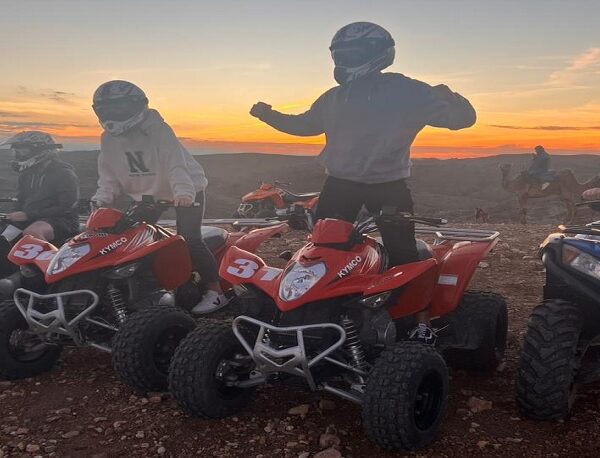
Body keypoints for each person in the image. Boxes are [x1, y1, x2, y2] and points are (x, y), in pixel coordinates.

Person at [250, 22, 476, 343]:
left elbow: (461, 121)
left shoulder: (403, 89)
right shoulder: (336, 97)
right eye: (341, 54)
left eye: (352, 53)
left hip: (386, 186)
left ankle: (417, 321)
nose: (344, 61)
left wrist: (452, 97)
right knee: (324, 250)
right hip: (341, 183)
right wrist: (268, 115)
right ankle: (329, 312)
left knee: (403, 254)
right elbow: (305, 125)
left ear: (376, 54)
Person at [90, 80, 226, 314]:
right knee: (133, 240)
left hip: (186, 188)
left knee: (190, 239)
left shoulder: (158, 129)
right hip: (148, 194)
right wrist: (103, 197)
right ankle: (152, 287)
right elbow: (109, 172)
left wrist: (183, 192)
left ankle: (216, 292)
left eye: (119, 108)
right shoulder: (108, 138)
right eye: (107, 109)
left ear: (136, 107)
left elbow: (175, 162)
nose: (113, 114)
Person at [0, 131, 79, 243]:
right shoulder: (27, 174)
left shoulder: (64, 173)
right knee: (4, 237)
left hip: (62, 221)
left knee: (33, 233)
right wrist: (13, 215)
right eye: (16, 151)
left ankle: (52, 260)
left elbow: (66, 207)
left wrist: (28, 215)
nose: (18, 155)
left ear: (40, 150)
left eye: (23, 150)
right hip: (31, 218)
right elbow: (20, 200)